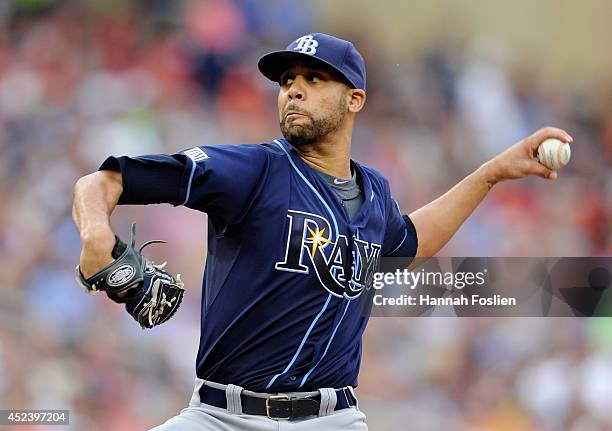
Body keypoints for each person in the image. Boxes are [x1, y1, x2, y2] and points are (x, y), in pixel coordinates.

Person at [72, 33, 573, 430]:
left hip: (333, 419)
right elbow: (103, 181)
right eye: (288, 78)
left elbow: (410, 242)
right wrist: (96, 235)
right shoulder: (251, 170)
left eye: (314, 78)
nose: (293, 88)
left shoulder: (374, 193)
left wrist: (492, 173)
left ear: (354, 99)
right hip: (221, 417)